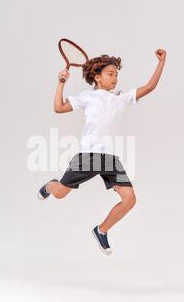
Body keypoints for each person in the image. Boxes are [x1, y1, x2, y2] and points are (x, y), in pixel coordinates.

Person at [38, 50, 167, 255]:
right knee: (61, 194)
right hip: (88, 155)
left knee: (129, 199)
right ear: (97, 77)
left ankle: (101, 230)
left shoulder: (121, 98)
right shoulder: (87, 97)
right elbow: (58, 108)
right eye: (110, 73)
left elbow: (150, 86)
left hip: (110, 158)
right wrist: (61, 82)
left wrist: (161, 62)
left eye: (116, 74)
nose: (115, 78)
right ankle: (51, 185)